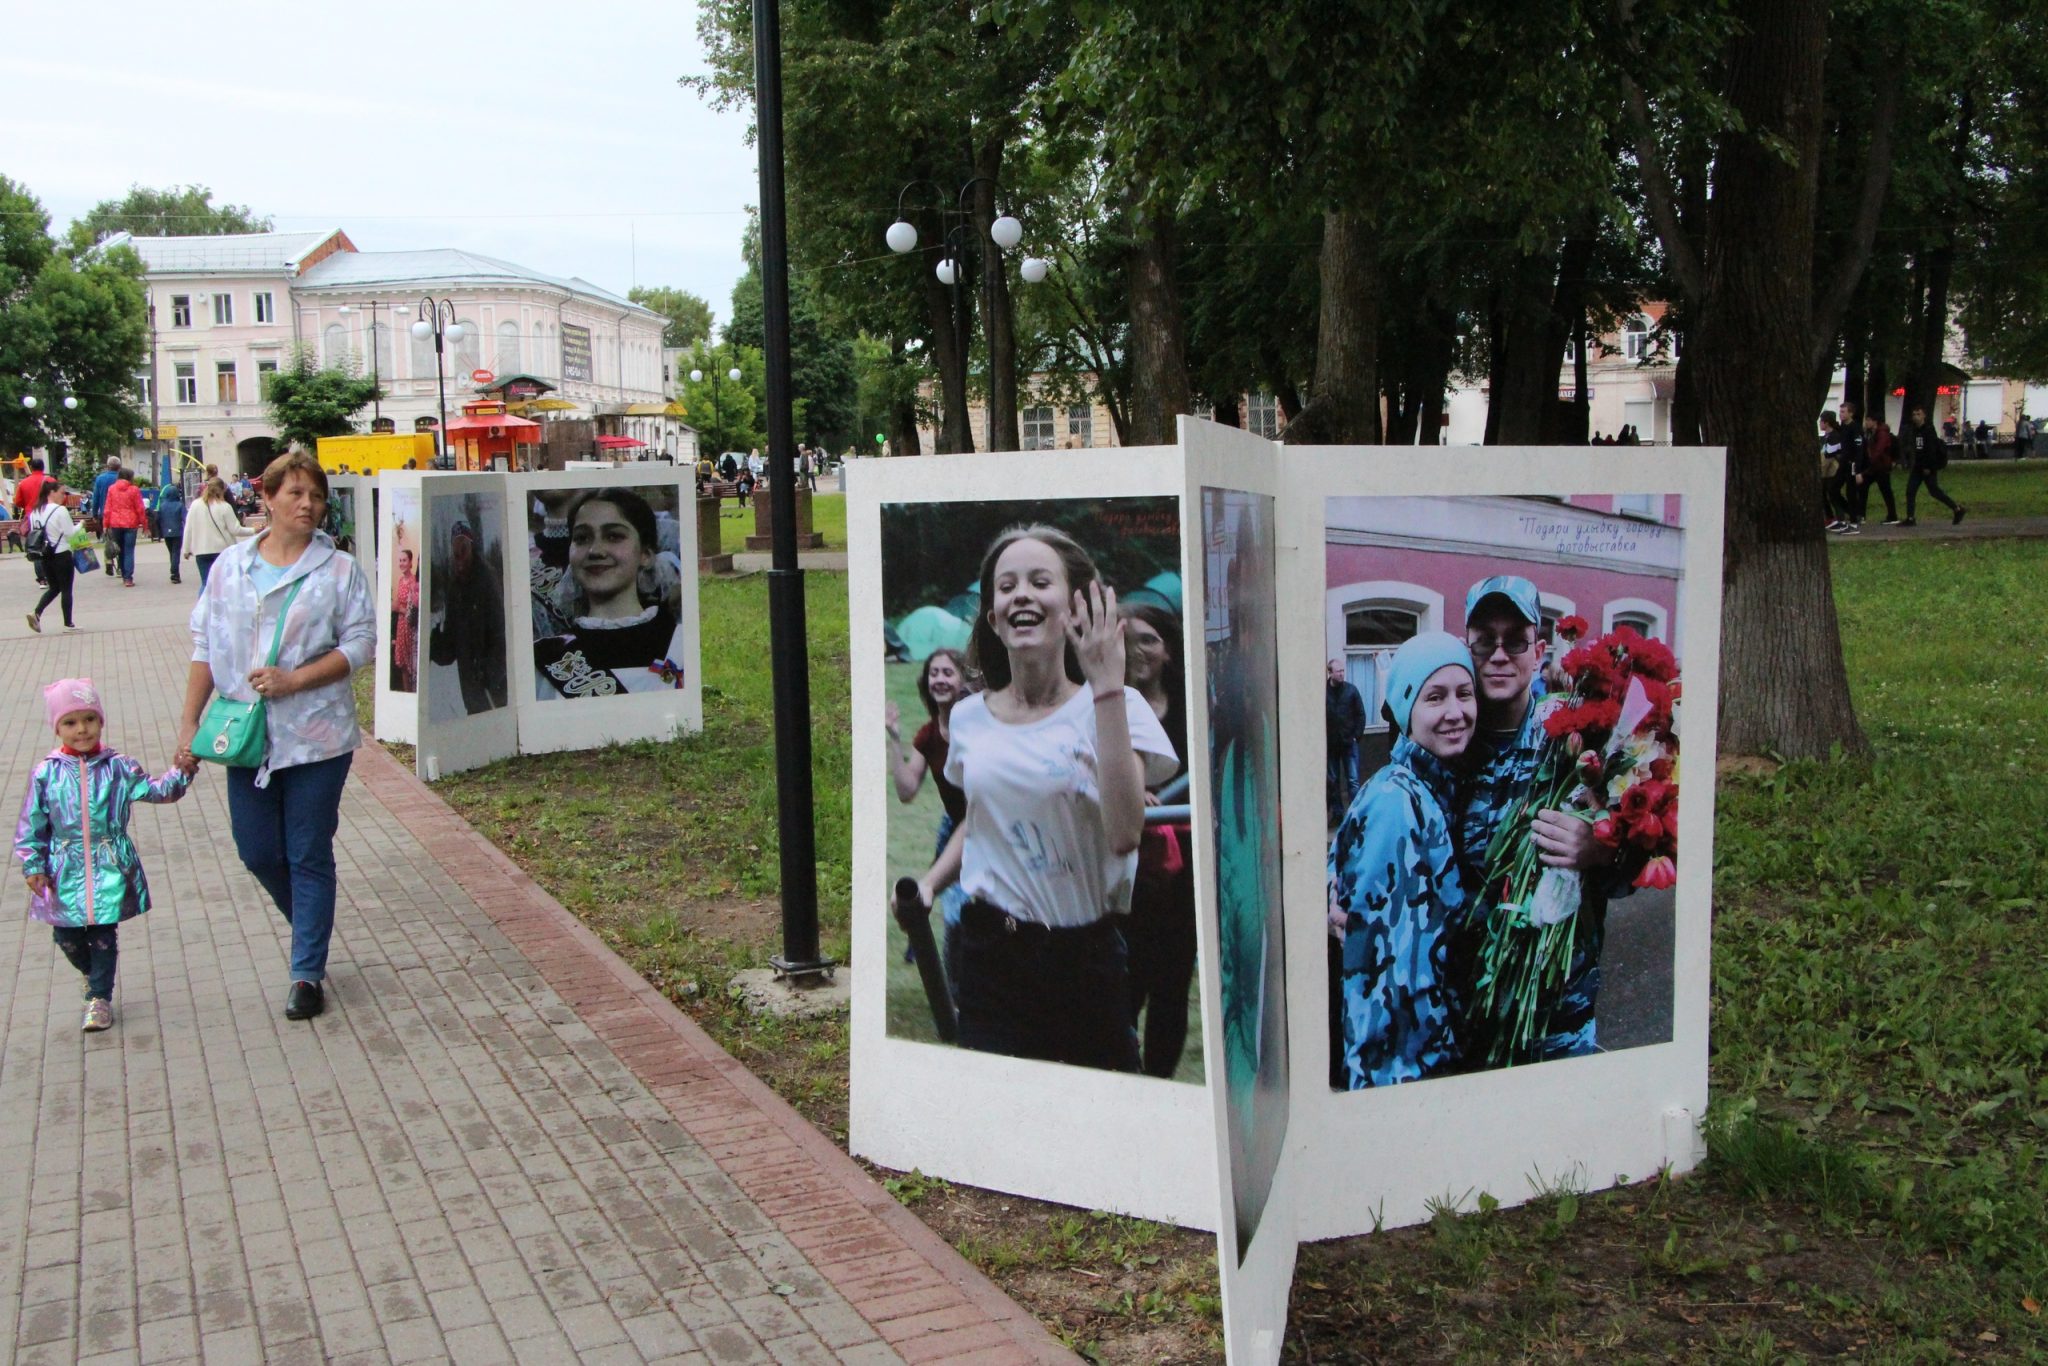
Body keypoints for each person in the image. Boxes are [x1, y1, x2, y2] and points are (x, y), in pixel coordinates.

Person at [910, 525, 1177, 1070]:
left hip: (1087, 959)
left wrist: (1106, 685)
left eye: (1039, 581)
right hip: (989, 954)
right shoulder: (967, 718)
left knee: (1099, 1131)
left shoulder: (1118, 707)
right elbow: (982, 823)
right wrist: (931, 882)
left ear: (1074, 609)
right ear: (993, 618)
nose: (1021, 594)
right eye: (1006, 587)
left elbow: (1125, 832)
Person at [177, 451, 376, 1022]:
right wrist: (189, 726)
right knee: (258, 850)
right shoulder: (231, 567)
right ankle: (311, 930)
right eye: (294, 494)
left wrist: (297, 680)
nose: (308, 504)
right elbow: (204, 647)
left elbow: (361, 642)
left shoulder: (338, 570)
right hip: (246, 735)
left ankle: (306, 971)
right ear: (265, 498)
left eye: (315, 495)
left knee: (307, 850)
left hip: (318, 736)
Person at [1454, 575, 1623, 1062]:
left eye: (1516, 641)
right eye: (1486, 641)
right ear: (1468, 647)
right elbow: (1386, 817)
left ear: (1540, 651)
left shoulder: (1579, 738)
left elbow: (1639, 858)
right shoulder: (1444, 735)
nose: (1500, 654)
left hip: (1557, 1013)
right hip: (1466, 1011)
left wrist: (1599, 849)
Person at [1327, 633, 1476, 1089]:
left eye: (1464, 693)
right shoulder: (1397, 802)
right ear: (1407, 710)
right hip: (1405, 1075)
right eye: (1435, 697)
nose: (1455, 712)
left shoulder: (1429, 787)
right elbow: (1388, 985)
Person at [16, 678, 195, 1033]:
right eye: (70, 722)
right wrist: (33, 864)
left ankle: (99, 997)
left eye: (89, 719)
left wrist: (183, 770)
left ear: (100, 721)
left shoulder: (118, 766)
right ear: (57, 728)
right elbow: (32, 822)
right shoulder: (46, 773)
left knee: (102, 933)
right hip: (63, 867)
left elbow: (158, 791)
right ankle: (91, 973)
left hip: (108, 864)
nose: (81, 729)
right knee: (66, 937)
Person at [1119, 602, 1196, 1079]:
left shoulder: (1193, 712)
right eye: (1128, 639)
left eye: (1149, 639)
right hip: (1124, 873)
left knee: (1172, 986)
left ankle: (1160, 1084)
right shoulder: (1108, 709)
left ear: (1168, 649)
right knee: (1123, 986)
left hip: (1182, 875)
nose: (1138, 649)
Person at [533, 489, 685, 699]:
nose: (595, 550)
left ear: (646, 555)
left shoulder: (682, 643)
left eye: (614, 536)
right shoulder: (546, 662)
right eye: (582, 538)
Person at [886, 647, 976, 984]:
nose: (939, 679)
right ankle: (953, 991)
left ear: (963, 679)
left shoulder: (980, 725)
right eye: (934, 673)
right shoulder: (927, 735)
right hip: (955, 827)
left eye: (947, 672)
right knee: (948, 907)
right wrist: (894, 739)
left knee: (968, 910)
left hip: (989, 826)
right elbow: (907, 790)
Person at [429, 518, 508, 713]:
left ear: (472, 547)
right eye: (455, 553)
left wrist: (490, 674)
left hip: (493, 691)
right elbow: (450, 648)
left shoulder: (487, 580)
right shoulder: (454, 588)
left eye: (463, 550)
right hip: (471, 692)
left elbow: (501, 634)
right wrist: (433, 642)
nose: (459, 558)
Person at [24, 482, 80, 633]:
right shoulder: (60, 510)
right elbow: (70, 534)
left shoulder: (35, 511)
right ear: (52, 492)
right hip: (62, 554)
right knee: (66, 588)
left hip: (45, 555)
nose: (64, 496)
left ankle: (36, 613)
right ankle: (68, 624)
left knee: (54, 587)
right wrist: (81, 526)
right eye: (62, 493)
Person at [1901, 405, 1964, 527]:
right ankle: (1910, 517)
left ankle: (1957, 509)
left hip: (1928, 467)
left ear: (1924, 415)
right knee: (1910, 491)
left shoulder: (1928, 430)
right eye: (1914, 415)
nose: (1916, 417)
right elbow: (1916, 449)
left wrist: (1928, 467)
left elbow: (1931, 450)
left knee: (1934, 491)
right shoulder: (1914, 430)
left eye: (1918, 414)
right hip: (1918, 466)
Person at [1325, 657, 1367, 825]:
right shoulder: (1323, 692)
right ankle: (1337, 814)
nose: (1342, 674)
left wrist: (1357, 735)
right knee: (1333, 781)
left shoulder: (1351, 691)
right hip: (1331, 745)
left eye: (1343, 671)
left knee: (1353, 780)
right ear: (1330, 673)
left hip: (1349, 743)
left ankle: (1355, 815)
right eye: (1338, 671)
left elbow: (1361, 714)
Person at [183, 478, 243, 589]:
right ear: (222, 490)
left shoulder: (195, 505)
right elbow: (236, 530)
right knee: (222, 583)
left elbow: (188, 529)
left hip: (201, 551)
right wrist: (254, 530)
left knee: (206, 583)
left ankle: (203, 605)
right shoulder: (225, 507)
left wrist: (186, 549)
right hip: (221, 550)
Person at [102, 469, 147, 587]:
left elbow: (107, 509)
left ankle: (122, 572)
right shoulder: (134, 490)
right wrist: (145, 525)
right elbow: (140, 509)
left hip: (115, 523)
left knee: (119, 550)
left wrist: (105, 525)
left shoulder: (111, 489)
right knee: (129, 550)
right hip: (131, 523)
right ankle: (128, 577)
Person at [1820, 410, 1858, 533]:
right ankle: (1833, 517)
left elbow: (1829, 456)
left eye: (1821, 421)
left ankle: (1842, 518)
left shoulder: (1834, 436)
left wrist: (1821, 470)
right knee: (1826, 494)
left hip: (1832, 470)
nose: (1820, 424)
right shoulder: (1825, 437)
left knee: (1833, 493)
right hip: (1826, 470)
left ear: (1826, 422)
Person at [15, 458, 50, 588]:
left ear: (31, 467)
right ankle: (52, 574)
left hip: (32, 517)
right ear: (43, 467)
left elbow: (18, 502)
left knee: (36, 546)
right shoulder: (50, 481)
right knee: (51, 542)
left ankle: (42, 579)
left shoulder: (24, 483)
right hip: (49, 515)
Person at [391, 548, 421, 692]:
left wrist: (398, 609)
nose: (402, 563)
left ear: (410, 563)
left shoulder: (413, 582)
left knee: (411, 666)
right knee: (402, 664)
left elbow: (413, 611)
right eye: (400, 560)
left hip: (409, 627)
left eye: (404, 560)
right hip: (400, 627)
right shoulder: (400, 581)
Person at [1862, 414, 1899, 525]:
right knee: (1865, 486)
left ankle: (1892, 515)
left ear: (1875, 421)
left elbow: (1879, 450)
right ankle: (1861, 514)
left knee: (1885, 490)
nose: (1866, 423)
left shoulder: (1881, 433)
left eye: (1868, 420)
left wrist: (1871, 462)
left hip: (1881, 466)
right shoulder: (1872, 433)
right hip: (1877, 466)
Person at [156, 480, 188, 583]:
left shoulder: (162, 505)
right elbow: (185, 518)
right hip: (177, 531)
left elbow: (158, 518)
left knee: (171, 552)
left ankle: (174, 571)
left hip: (166, 532)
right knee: (176, 552)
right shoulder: (179, 505)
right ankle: (175, 573)